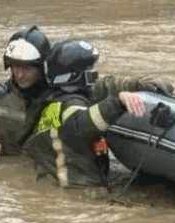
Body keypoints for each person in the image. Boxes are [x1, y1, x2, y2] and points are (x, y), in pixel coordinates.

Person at [0, 25, 174, 167]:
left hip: (56, 170)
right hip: (19, 168)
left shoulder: (65, 89)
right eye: (14, 66)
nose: (19, 73)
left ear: (41, 67)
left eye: (27, 67)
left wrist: (142, 84)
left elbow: (106, 86)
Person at [24, 39, 148, 188]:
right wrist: (118, 102)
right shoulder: (71, 105)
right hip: (78, 193)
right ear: (80, 75)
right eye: (91, 70)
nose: (94, 75)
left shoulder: (52, 105)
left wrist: (137, 85)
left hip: (57, 187)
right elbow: (81, 125)